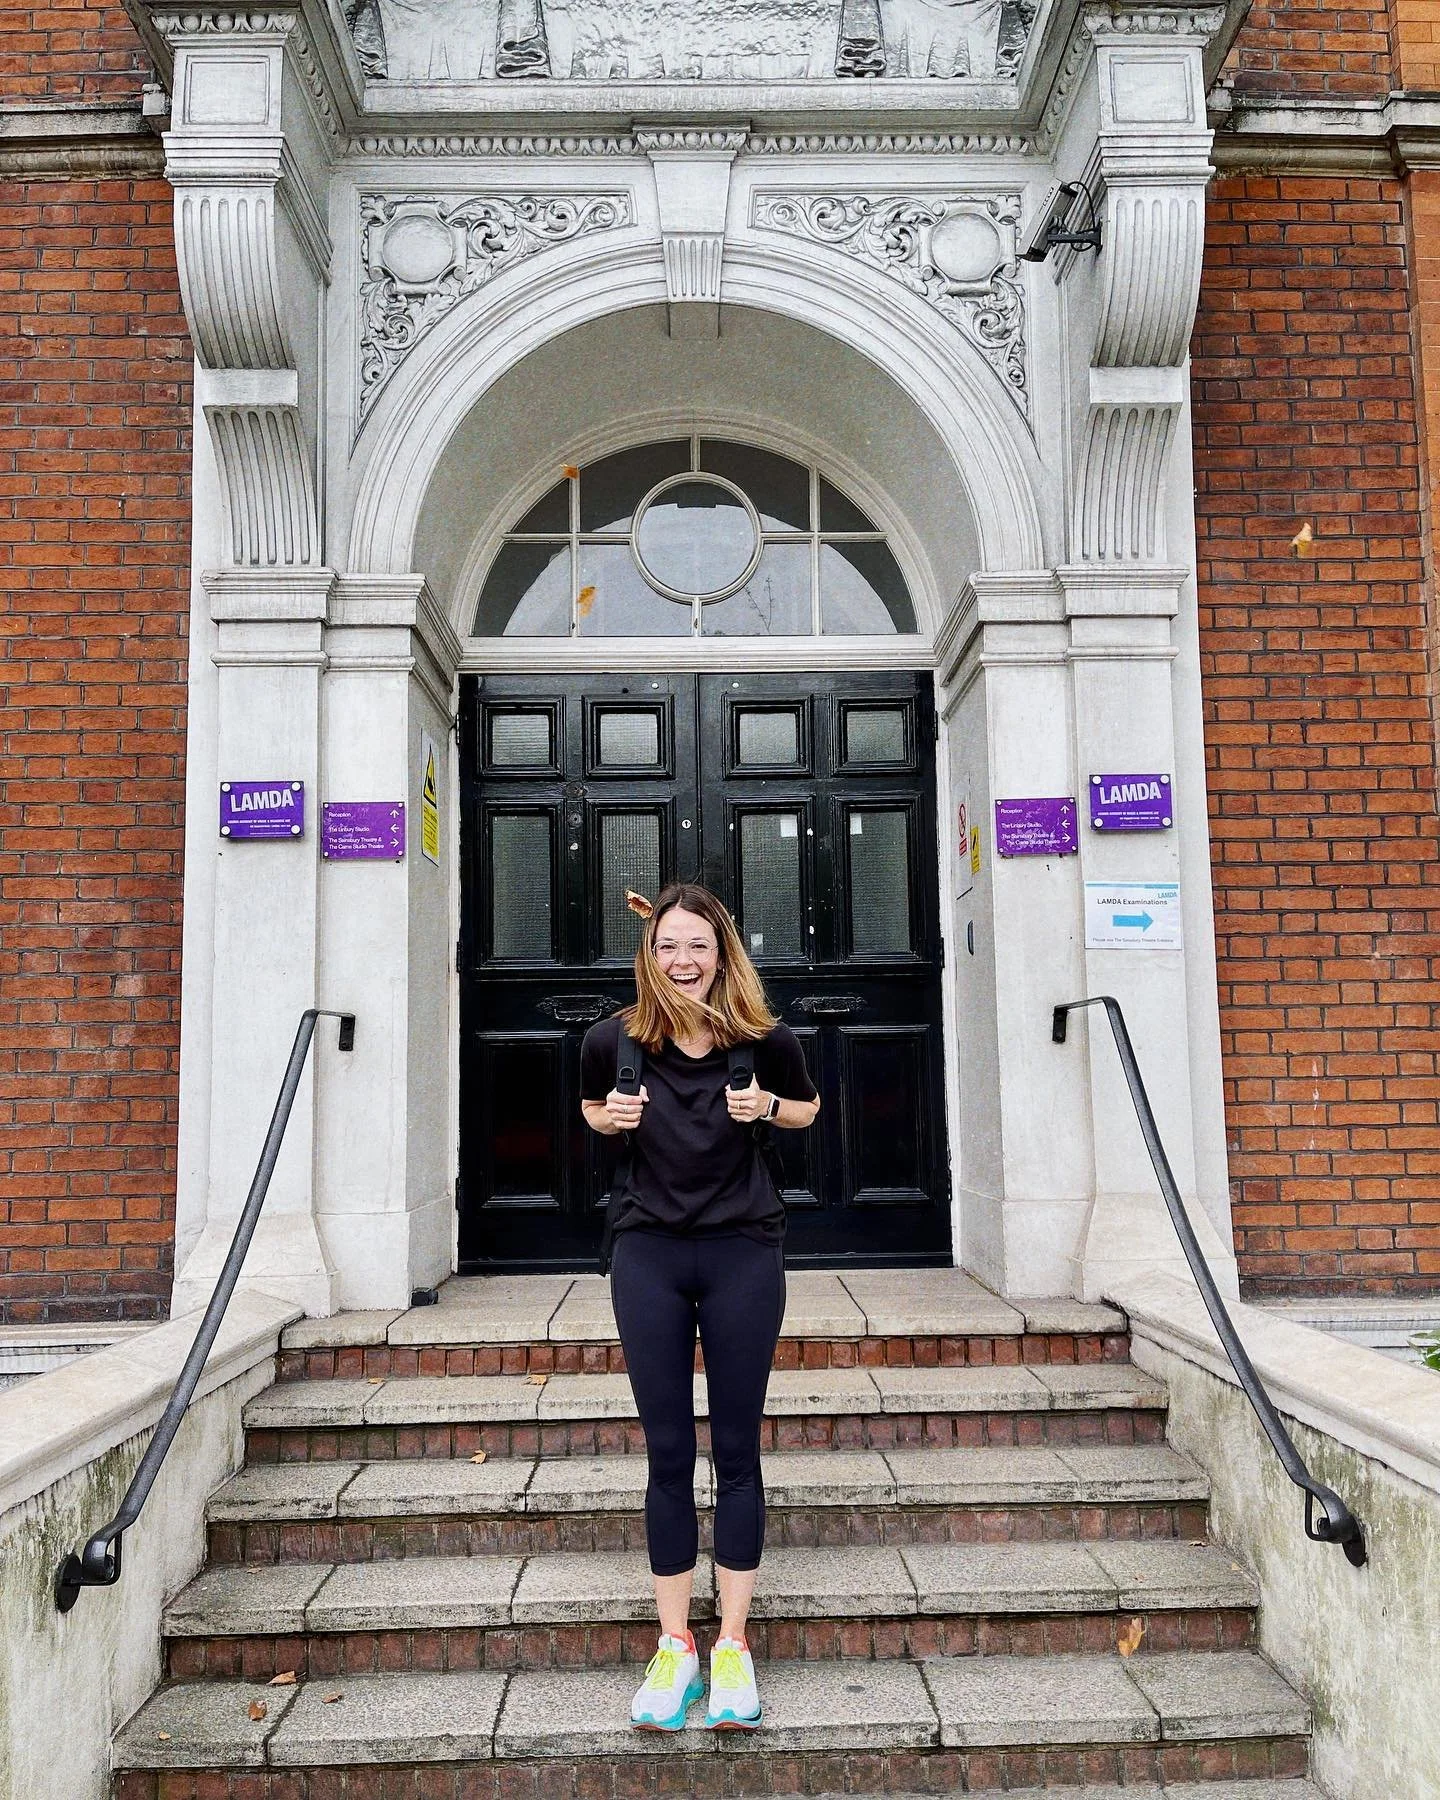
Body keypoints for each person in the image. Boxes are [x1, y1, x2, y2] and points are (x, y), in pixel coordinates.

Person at [580, 883, 820, 1733]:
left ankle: (734, 1647)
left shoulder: (765, 1039)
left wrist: (767, 1107)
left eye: (698, 947)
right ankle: (675, 1644)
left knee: (738, 1445)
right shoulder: (613, 1040)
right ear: (651, 955)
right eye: (669, 947)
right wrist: (609, 1117)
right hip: (647, 1253)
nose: (683, 962)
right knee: (669, 1449)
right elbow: (588, 1112)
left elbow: (808, 1109)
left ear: (723, 953)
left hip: (742, 1251)